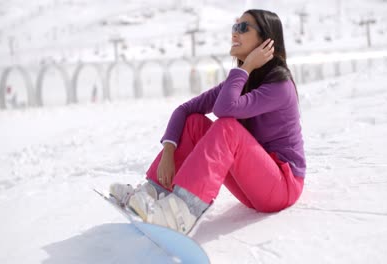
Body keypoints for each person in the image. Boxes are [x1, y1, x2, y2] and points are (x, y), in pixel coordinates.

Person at [109, 9, 306, 234]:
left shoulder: (280, 86)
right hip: (253, 186)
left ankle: (180, 214)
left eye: (243, 28)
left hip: (282, 187)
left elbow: (224, 110)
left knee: (227, 127)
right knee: (195, 123)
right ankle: (154, 193)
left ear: (266, 41)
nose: (234, 34)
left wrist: (247, 66)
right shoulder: (241, 81)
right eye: (234, 27)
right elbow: (184, 110)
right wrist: (168, 150)